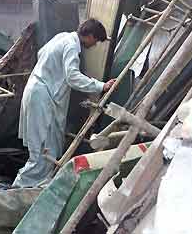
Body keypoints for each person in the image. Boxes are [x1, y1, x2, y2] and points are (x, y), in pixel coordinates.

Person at [12, 18, 116, 188]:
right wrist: (101, 86)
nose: (94, 44)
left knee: (48, 148)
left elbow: (42, 54)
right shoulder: (71, 46)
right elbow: (72, 76)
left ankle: (36, 186)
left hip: (39, 90)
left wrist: (52, 75)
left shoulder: (62, 37)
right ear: (89, 35)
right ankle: (17, 189)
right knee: (41, 152)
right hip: (42, 96)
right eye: (95, 40)